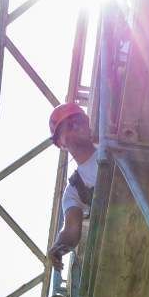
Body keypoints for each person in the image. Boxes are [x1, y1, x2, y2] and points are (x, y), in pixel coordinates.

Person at [47, 102, 97, 270]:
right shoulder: (75, 190)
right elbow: (71, 231)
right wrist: (59, 247)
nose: (76, 126)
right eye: (68, 125)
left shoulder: (111, 145)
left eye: (78, 121)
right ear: (61, 143)